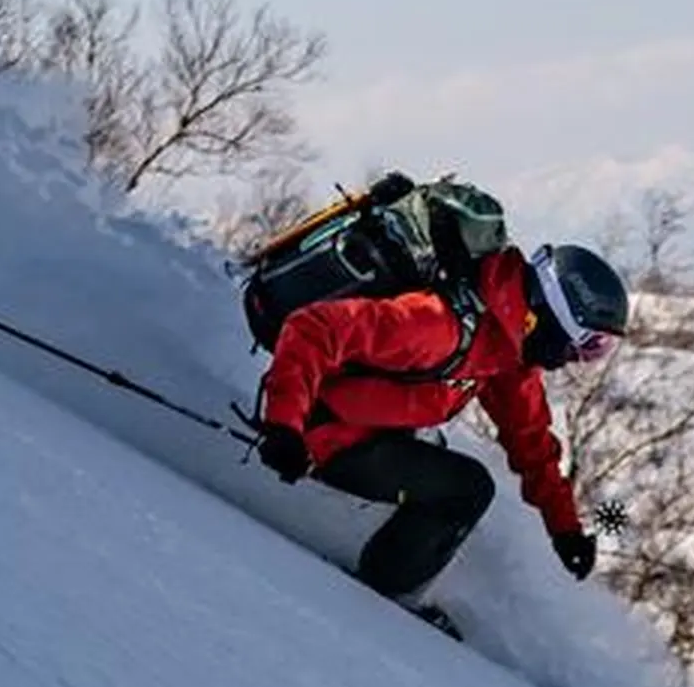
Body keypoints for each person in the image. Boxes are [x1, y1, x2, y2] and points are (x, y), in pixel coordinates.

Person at [248, 240, 628, 615]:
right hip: (324, 432)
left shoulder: (504, 349)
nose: (577, 360)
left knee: (443, 459)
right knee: (466, 490)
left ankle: (386, 563)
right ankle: (377, 600)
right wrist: (284, 427)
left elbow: (530, 439)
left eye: (597, 351)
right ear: (553, 313)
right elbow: (313, 328)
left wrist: (565, 528)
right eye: (588, 345)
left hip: (374, 426)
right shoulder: (436, 326)